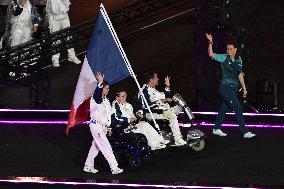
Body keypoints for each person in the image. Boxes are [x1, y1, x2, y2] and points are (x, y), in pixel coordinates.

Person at [206, 33, 256, 138]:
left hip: (233, 89)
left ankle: (216, 128)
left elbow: (240, 74)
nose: (228, 51)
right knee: (237, 107)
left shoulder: (239, 60)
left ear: (235, 50)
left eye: (230, 49)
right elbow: (211, 54)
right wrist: (210, 42)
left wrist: (244, 88)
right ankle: (245, 132)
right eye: (227, 49)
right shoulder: (224, 58)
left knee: (224, 108)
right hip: (225, 87)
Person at [83, 72, 123, 175]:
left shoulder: (106, 101)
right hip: (96, 125)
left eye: (108, 89)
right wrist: (100, 82)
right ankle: (114, 167)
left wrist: (109, 128)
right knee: (106, 145)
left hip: (103, 127)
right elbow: (97, 94)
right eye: (106, 88)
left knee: (95, 147)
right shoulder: (96, 98)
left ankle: (88, 166)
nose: (108, 90)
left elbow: (107, 116)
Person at [139, 72, 188, 146]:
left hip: (162, 110)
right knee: (171, 115)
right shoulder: (144, 91)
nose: (158, 79)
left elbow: (166, 97)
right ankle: (178, 139)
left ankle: (179, 129)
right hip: (151, 113)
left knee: (180, 107)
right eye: (156, 78)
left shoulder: (154, 89)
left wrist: (167, 86)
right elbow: (147, 106)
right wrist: (163, 101)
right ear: (151, 80)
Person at [45, 0, 81, 67]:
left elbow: (67, 4)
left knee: (68, 37)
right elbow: (48, 9)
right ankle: (55, 59)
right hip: (54, 19)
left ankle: (71, 56)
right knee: (56, 39)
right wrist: (50, 20)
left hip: (64, 17)